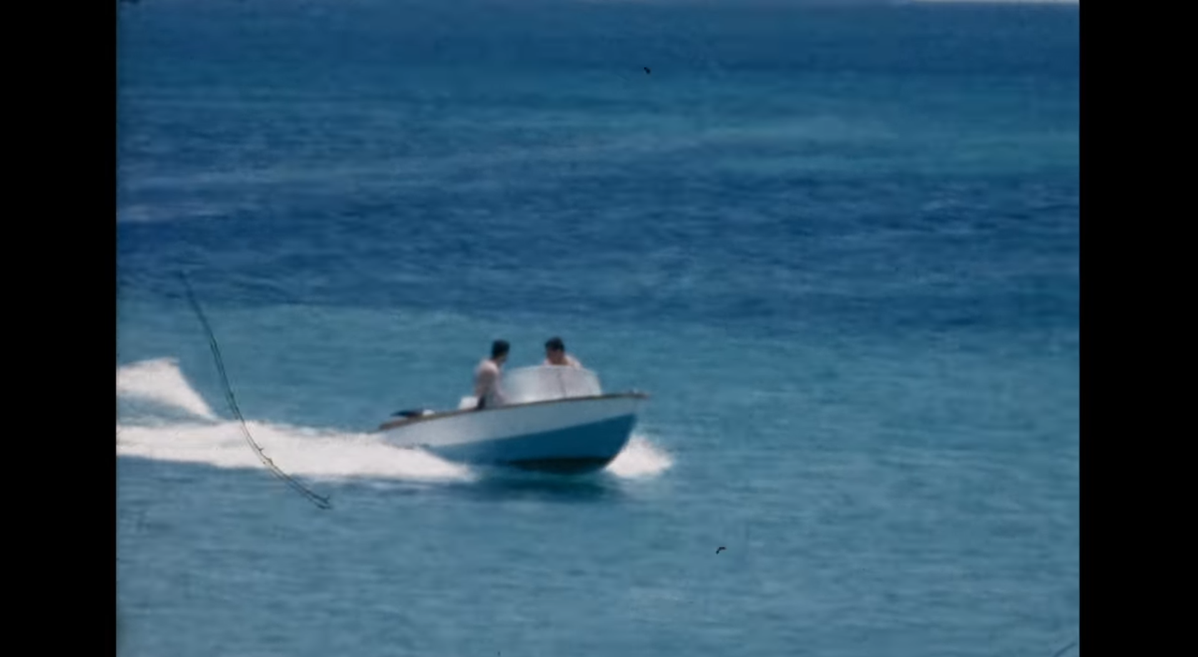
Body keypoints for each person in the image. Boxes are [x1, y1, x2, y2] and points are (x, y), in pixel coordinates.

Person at [473, 340, 509, 409]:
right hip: (484, 405)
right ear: (504, 354)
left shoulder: (484, 363)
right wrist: (509, 402)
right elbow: (496, 392)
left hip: (482, 401)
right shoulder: (492, 370)